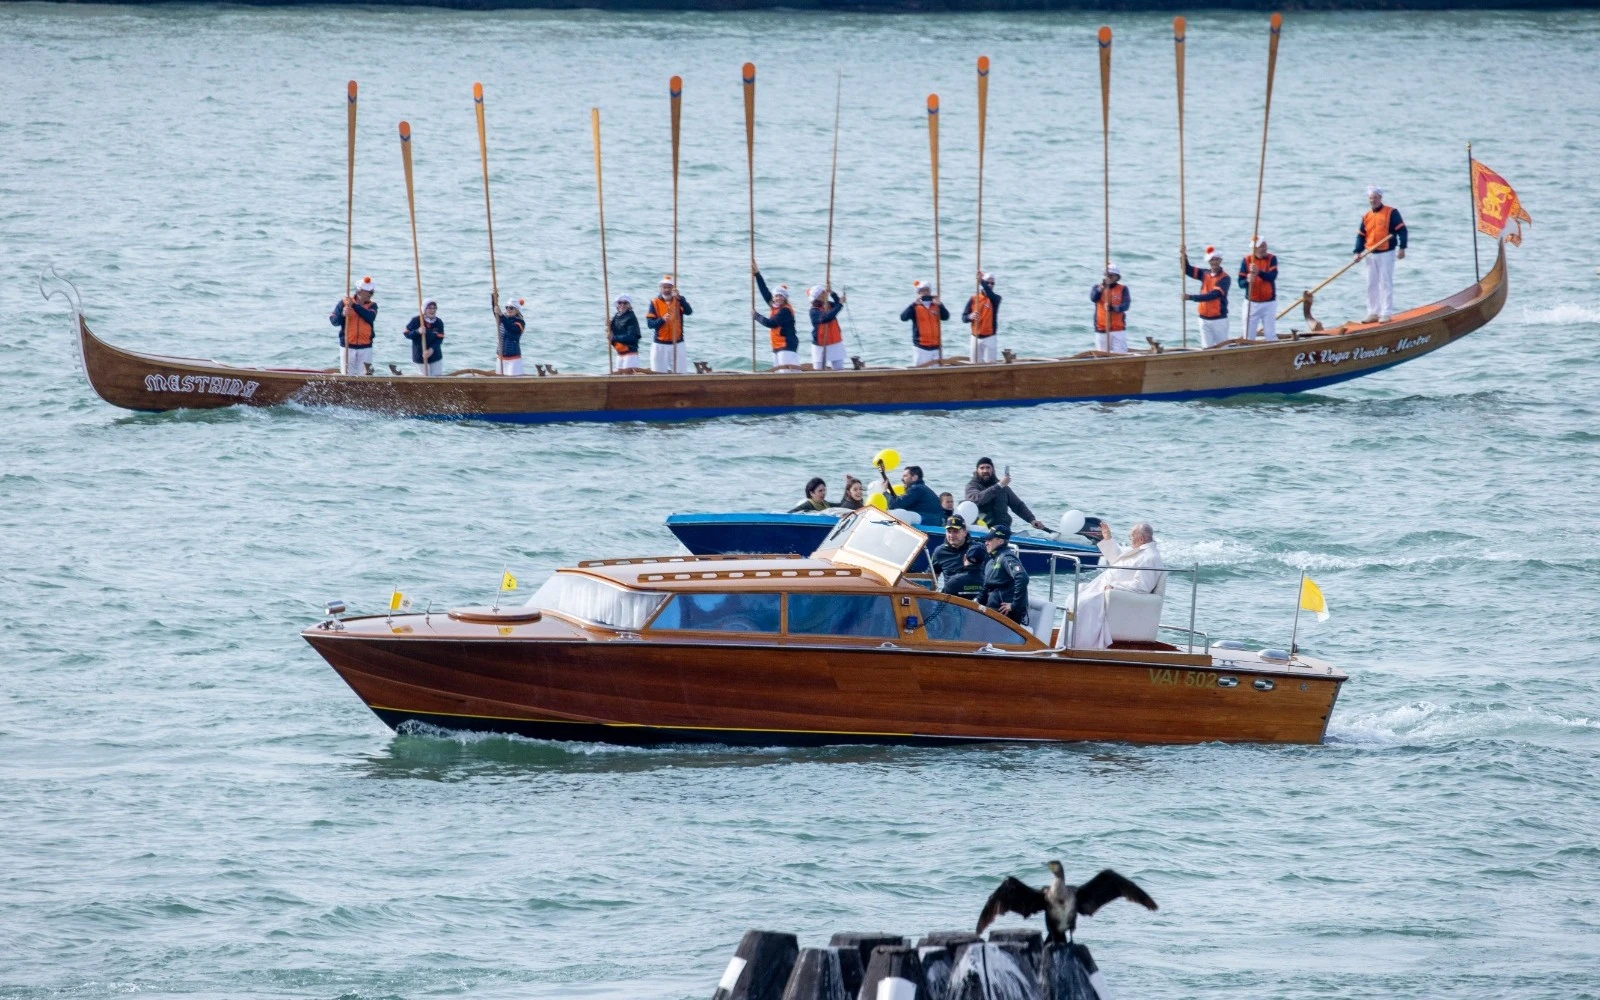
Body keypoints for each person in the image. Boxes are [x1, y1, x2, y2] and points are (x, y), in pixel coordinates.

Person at [1068, 521, 1164, 649]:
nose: (1130, 540)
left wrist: (1114, 587)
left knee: (1080, 603)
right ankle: (1071, 641)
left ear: (1140, 538)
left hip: (1114, 594)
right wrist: (1108, 538)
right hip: (1105, 590)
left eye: (1131, 537)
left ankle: (1081, 646)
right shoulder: (1141, 551)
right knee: (1073, 598)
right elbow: (1119, 561)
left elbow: (1141, 586)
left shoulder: (1150, 557)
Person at [1355, 185, 1408, 323]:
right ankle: (1373, 312)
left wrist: (1402, 247)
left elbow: (1402, 230)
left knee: (1385, 283)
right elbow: (1361, 236)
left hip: (1386, 253)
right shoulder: (1366, 216)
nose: (1373, 201)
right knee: (1371, 284)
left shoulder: (1391, 212)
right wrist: (1357, 252)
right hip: (1370, 253)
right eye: (1371, 198)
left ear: (1380, 198)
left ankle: (1386, 312)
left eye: (1375, 198)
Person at [964, 458, 1049, 534]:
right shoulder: (972, 486)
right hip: (982, 532)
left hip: (1003, 531)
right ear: (977, 470)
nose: (985, 470)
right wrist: (999, 485)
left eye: (988, 467)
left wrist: (1032, 520)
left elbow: (1018, 505)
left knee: (1025, 535)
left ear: (993, 470)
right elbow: (976, 500)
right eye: (982, 468)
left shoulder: (1003, 488)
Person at [978, 524, 1029, 624]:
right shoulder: (990, 561)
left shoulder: (1007, 557)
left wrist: (1014, 605)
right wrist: (975, 603)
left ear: (1000, 541)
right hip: (991, 612)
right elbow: (985, 588)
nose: (986, 543)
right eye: (986, 540)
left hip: (1006, 617)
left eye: (989, 540)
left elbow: (1022, 577)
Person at [1182, 246, 1232, 347]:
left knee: (1222, 349)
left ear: (1220, 260)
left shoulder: (1225, 278)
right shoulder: (1204, 273)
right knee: (1206, 349)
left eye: (1216, 259)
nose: (1214, 262)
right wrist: (1183, 255)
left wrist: (1191, 297)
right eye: (1211, 260)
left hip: (1219, 320)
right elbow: (1187, 269)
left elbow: (1214, 295)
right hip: (1203, 319)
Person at [753, 270, 800, 371]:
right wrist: (757, 275)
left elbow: (772, 323)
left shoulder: (785, 310)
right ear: (773, 298)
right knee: (779, 372)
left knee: (785, 372)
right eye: (776, 296)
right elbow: (764, 292)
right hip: (776, 345)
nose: (778, 298)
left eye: (781, 296)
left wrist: (756, 316)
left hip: (787, 345)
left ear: (785, 298)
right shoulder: (774, 307)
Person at [329, 277, 377, 375]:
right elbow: (334, 321)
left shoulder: (372, 305)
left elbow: (370, 317)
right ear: (360, 291)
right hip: (347, 346)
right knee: (347, 375)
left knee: (365, 376)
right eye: (369, 291)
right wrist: (342, 314)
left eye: (372, 291)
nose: (371, 294)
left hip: (366, 347)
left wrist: (354, 306)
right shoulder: (344, 303)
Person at [930, 514, 986, 597]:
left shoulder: (977, 549)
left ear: (964, 532)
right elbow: (931, 577)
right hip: (952, 599)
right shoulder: (939, 552)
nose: (951, 535)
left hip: (977, 597)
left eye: (955, 531)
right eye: (949, 531)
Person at [647, 276, 693, 373]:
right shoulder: (654, 302)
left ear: (673, 289)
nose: (667, 290)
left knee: (681, 373)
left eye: (669, 287)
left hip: (677, 343)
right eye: (664, 287)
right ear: (660, 289)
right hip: (660, 343)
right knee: (657, 373)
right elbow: (650, 324)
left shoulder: (679, 300)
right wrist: (662, 320)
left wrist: (680, 298)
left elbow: (689, 312)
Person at [1237, 240, 1279, 341]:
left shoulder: (1272, 258)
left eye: (1264, 246)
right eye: (1260, 247)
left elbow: (1272, 277)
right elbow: (1240, 283)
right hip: (1251, 303)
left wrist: (1259, 272)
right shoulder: (1247, 260)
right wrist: (1247, 280)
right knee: (1248, 335)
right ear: (1254, 249)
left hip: (1269, 303)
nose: (1263, 249)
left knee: (1270, 334)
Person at [900, 281, 948, 367]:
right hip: (921, 347)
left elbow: (946, 317)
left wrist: (940, 305)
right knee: (920, 373)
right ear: (918, 293)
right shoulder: (915, 307)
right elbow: (903, 318)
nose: (925, 293)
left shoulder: (936, 305)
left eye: (927, 290)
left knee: (937, 374)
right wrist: (913, 304)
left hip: (936, 347)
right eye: (922, 290)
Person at [1089, 263, 1131, 353]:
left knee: (1120, 354)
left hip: (1118, 329)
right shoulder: (1097, 288)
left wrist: (1114, 308)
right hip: (1102, 329)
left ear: (1117, 277)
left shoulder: (1123, 289)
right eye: (1107, 275)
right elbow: (1093, 298)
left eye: (1112, 276)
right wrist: (1102, 287)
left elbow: (1126, 305)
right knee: (1101, 355)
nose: (1109, 277)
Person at [962, 272, 1002, 364]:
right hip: (975, 337)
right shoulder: (973, 298)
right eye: (988, 282)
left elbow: (991, 295)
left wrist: (982, 282)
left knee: (991, 365)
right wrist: (970, 316)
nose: (990, 285)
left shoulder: (996, 298)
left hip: (990, 337)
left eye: (992, 283)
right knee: (974, 365)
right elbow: (963, 317)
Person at [808, 285, 848, 371]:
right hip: (820, 343)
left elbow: (838, 303)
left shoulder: (828, 304)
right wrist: (840, 304)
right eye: (823, 293)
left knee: (839, 368)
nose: (826, 294)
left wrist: (832, 293)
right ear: (818, 296)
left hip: (835, 340)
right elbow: (826, 318)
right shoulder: (814, 311)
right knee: (818, 369)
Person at [403, 298, 444, 376]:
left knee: (437, 378)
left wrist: (431, 349)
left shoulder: (439, 322)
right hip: (420, 356)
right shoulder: (416, 320)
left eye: (434, 308)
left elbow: (440, 338)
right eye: (429, 308)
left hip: (435, 355)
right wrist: (417, 331)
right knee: (425, 378)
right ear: (424, 309)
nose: (432, 310)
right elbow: (406, 333)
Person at [493, 294, 526, 375]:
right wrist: (493, 297)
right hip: (500, 357)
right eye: (507, 307)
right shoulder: (502, 319)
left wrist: (501, 315)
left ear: (517, 310)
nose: (508, 309)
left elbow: (510, 328)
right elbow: (495, 310)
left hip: (513, 360)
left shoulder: (520, 322)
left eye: (511, 308)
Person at [609, 295, 642, 370]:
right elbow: (612, 335)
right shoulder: (616, 317)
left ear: (629, 305)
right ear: (617, 304)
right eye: (620, 303)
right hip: (620, 352)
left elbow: (632, 337)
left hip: (630, 354)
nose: (622, 305)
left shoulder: (631, 317)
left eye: (625, 303)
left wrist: (613, 337)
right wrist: (609, 326)